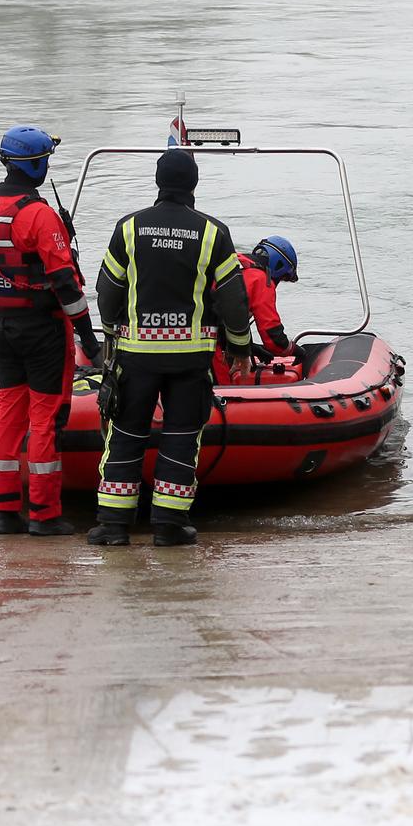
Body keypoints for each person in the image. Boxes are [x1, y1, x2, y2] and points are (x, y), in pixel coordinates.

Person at [89, 149, 253, 547]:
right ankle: (168, 525)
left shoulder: (128, 228)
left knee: (125, 434)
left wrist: (110, 331)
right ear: (194, 184)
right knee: (182, 437)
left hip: (136, 356)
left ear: (158, 181)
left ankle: (113, 526)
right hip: (189, 361)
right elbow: (233, 299)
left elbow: (107, 291)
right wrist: (240, 345)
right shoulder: (213, 232)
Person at [0, 125, 101, 536]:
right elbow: (66, 284)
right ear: (38, 164)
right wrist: (89, 338)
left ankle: (5, 511)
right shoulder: (39, 216)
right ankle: (44, 514)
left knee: (8, 407)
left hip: (1, 325)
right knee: (45, 417)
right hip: (43, 329)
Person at [217, 235, 303, 383]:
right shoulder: (261, 280)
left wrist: (249, 347)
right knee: (221, 391)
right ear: (279, 267)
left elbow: (228, 316)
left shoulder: (233, 264)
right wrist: (295, 350)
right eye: (283, 278)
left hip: (187, 325)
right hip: (207, 340)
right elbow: (273, 338)